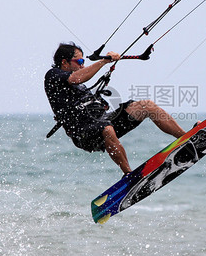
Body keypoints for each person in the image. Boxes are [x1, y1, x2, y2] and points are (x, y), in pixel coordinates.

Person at [44, 42, 189, 175]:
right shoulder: (53, 76)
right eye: (80, 61)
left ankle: (186, 137)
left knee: (147, 106)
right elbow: (76, 78)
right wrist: (104, 61)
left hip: (101, 121)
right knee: (106, 129)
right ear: (64, 62)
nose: (83, 65)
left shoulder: (78, 85)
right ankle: (129, 175)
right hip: (83, 134)